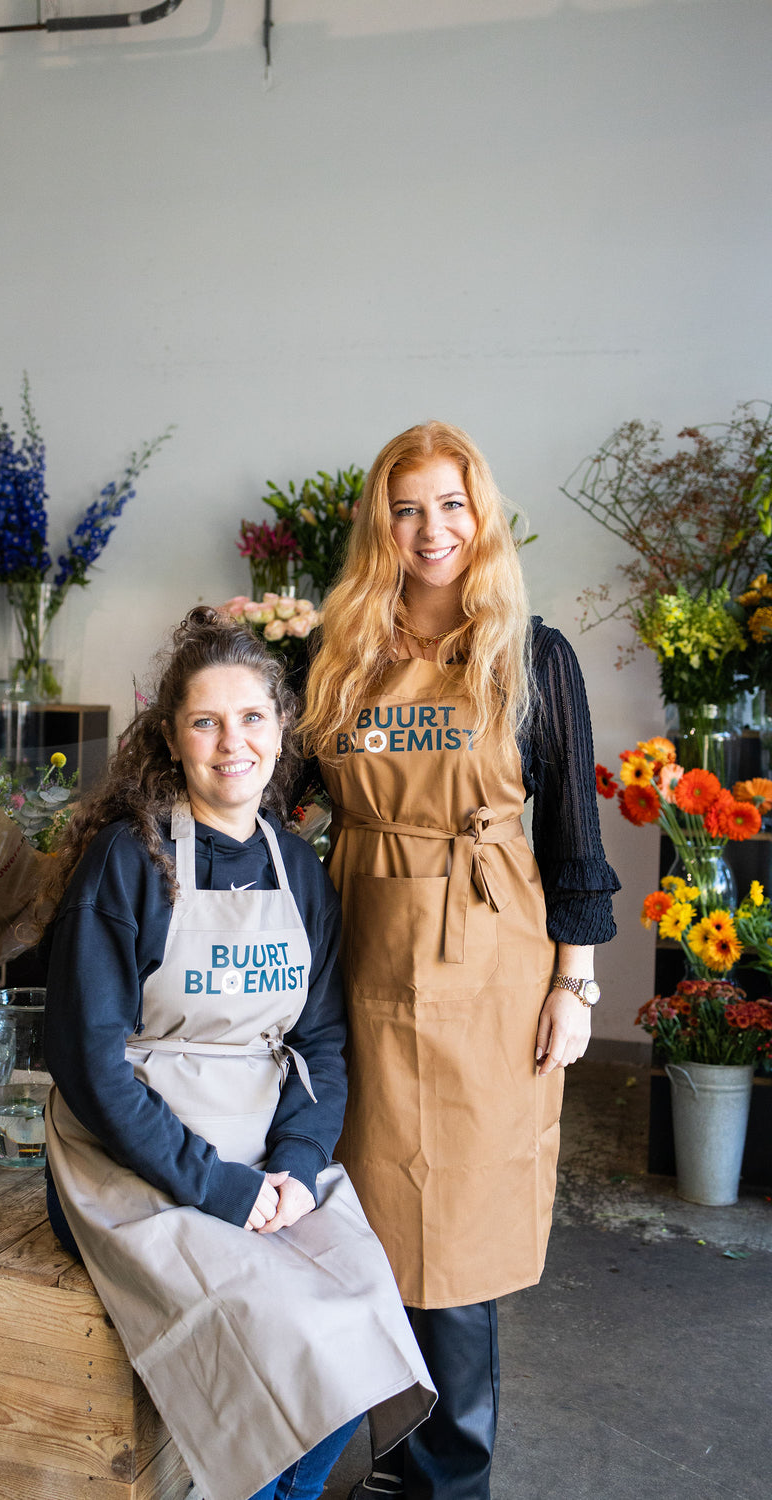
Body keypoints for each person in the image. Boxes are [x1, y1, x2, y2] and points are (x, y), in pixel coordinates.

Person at [40, 607, 435, 1500]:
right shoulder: (129, 862)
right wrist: (221, 1188)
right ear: (172, 739)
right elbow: (91, 1064)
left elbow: (323, 1042)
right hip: (128, 1159)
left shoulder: (299, 871)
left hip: (262, 1146)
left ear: (281, 730)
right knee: (267, 1313)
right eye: (205, 722)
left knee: (363, 1306)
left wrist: (296, 1166)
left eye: (251, 718)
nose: (231, 743)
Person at [298, 423, 620, 1500]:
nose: (429, 529)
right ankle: (386, 1456)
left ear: (480, 517)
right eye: (405, 507)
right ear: (378, 526)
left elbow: (576, 841)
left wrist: (573, 985)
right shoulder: (340, 651)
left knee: (460, 1227)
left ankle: (451, 1476)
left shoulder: (532, 655)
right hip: (360, 951)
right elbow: (287, 798)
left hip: (487, 964)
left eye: (449, 504)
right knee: (365, 1214)